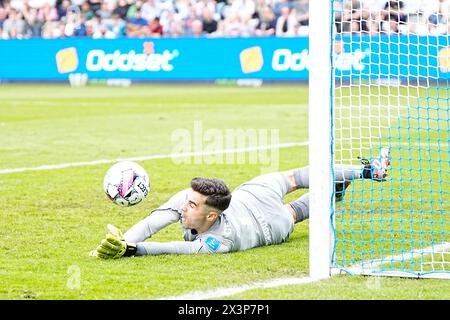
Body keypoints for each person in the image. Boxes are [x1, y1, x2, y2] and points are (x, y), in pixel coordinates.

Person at [91, 148, 390, 259]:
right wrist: (125, 240)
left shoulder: (220, 242)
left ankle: (351, 180)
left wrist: (133, 250)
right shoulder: (192, 200)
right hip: (256, 202)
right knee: (294, 183)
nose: (184, 207)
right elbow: (153, 222)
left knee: (294, 207)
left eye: (192, 206)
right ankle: (359, 175)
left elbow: (173, 247)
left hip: (268, 221)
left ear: (210, 217)